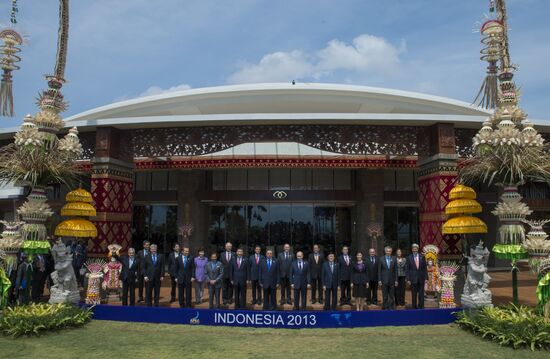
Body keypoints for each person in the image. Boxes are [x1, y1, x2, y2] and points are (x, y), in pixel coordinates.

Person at [406, 243, 428, 309]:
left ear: (418, 249)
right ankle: (414, 307)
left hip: (421, 278)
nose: (414, 250)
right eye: (413, 249)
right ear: (412, 249)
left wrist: (426, 278)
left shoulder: (422, 256)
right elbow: (407, 269)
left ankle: (421, 306)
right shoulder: (409, 257)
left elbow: (425, 268)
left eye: (416, 249)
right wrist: (408, 279)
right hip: (413, 278)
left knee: (421, 294)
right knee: (414, 294)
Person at [378, 246, 398, 310]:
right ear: (385, 251)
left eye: (389, 251)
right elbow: (379, 271)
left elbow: (396, 270)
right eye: (387, 251)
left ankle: (391, 307)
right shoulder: (381, 259)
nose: (388, 252)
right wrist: (379, 280)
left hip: (392, 280)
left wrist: (396, 280)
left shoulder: (394, 258)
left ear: (391, 251)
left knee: (392, 295)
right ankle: (385, 307)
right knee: (385, 295)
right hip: (384, 280)